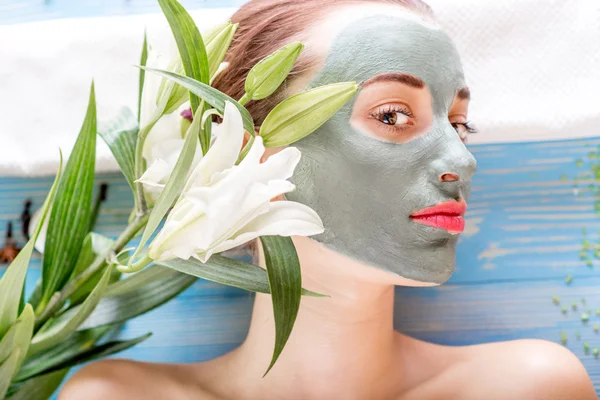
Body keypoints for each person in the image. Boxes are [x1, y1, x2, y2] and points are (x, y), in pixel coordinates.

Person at [60, 0, 596, 399]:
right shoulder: (112, 396)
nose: (461, 160)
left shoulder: (528, 388)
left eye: (460, 123)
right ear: (240, 150)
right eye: (391, 115)